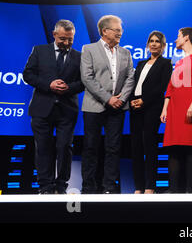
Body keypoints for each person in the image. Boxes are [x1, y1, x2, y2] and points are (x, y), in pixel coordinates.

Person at [23, 20, 84, 194]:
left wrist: (69, 88)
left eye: (70, 39)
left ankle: (61, 185)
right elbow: (28, 74)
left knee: (64, 147)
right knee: (43, 147)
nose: (66, 43)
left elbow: (83, 82)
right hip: (42, 108)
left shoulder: (79, 57)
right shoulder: (39, 50)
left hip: (67, 109)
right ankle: (45, 187)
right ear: (54, 34)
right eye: (63, 39)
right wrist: (48, 84)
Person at [80, 15, 135, 194]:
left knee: (113, 147)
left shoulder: (125, 53)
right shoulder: (88, 49)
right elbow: (87, 77)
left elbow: (130, 78)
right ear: (105, 31)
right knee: (90, 146)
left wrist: (121, 99)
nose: (121, 33)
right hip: (94, 106)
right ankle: (88, 187)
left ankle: (109, 187)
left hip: (118, 108)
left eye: (121, 30)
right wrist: (107, 98)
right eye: (117, 30)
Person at [160, 27, 192, 193]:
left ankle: (190, 189)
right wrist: (165, 108)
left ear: (186, 37)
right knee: (174, 147)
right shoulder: (178, 62)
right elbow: (171, 87)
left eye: (178, 36)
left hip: (190, 105)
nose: (175, 40)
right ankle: (173, 189)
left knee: (190, 147)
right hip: (175, 108)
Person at [129, 31, 172, 194]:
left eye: (157, 42)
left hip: (152, 108)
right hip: (135, 108)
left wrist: (144, 100)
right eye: (151, 41)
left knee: (150, 147)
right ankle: (138, 187)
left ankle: (150, 186)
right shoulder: (140, 64)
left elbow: (162, 87)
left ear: (163, 46)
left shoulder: (165, 63)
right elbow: (133, 84)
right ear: (147, 45)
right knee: (136, 148)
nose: (154, 44)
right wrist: (133, 100)